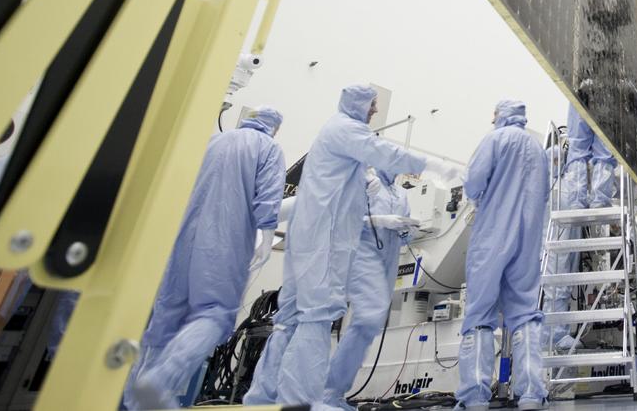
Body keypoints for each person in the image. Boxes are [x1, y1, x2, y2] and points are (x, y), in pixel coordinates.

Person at [244, 85, 453, 408]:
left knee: (293, 319)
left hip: (318, 235)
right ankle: (305, 398)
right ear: (358, 104)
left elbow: (341, 202)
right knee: (315, 317)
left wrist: (395, 226)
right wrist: (436, 167)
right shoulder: (347, 134)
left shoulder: (352, 159)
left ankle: (263, 397)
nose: (373, 111)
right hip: (325, 239)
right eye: (372, 105)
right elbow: (384, 157)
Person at [126, 107, 287, 409]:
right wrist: (267, 235)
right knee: (214, 313)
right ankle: (159, 382)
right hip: (222, 242)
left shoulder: (215, 142)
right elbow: (268, 195)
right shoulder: (268, 148)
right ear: (275, 128)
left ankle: (134, 400)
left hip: (183, 239)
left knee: (167, 316)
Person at [457, 100, 549, 411]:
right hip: (528, 239)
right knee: (524, 313)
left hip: (492, 236)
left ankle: (476, 395)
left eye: (493, 113)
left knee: (480, 314)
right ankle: (531, 394)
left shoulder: (495, 140)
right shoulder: (538, 148)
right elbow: (544, 192)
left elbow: (472, 182)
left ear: (501, 116)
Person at [321, 167, 413, 411]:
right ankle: (329, 392)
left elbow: (404, 231)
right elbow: (346, 217)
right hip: (364, 255)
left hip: (389, 259)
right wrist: (381, 221)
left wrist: (405, 231)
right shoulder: (367, 183)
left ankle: (335, 393)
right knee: (364, 320)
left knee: (369, 324)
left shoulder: (401, 195)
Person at [543, 105, 617, 353]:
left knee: (563, 271)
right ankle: (553, 334)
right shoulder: (552, 155)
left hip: (570, 202)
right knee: (559, 271)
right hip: (565, 208)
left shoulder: (578, 100)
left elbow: (578, 148)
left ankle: (556, 333)